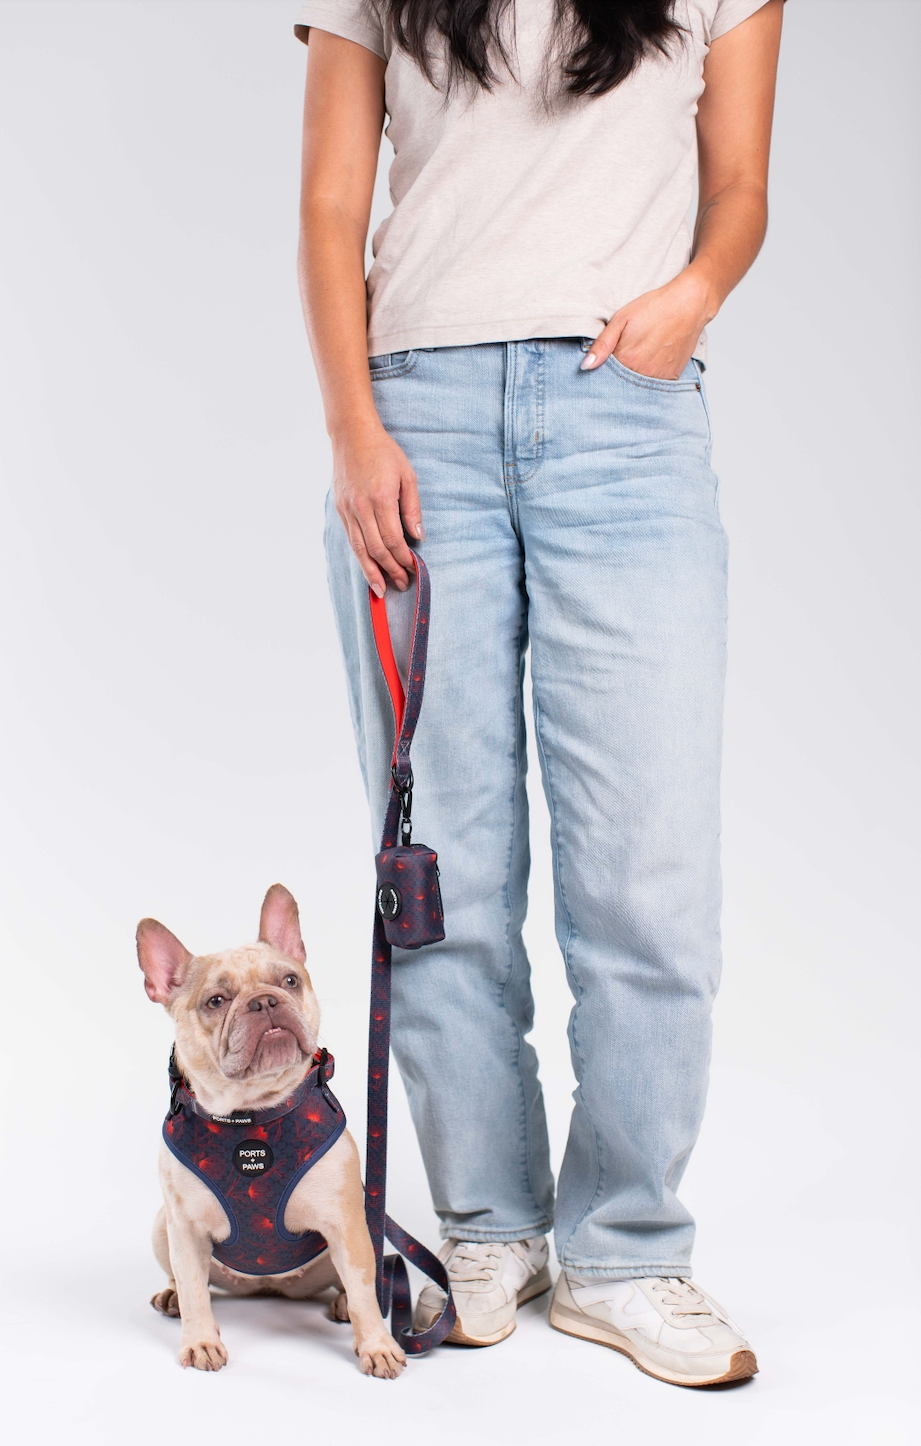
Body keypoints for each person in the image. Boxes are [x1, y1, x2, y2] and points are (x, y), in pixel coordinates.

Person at [295, 0, 782, 1387]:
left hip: (623, 411)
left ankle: (627, 1246)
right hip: (414, 417)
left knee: (652, 864)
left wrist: (684, 307)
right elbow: (333, 199)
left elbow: (740, 186)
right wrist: (353, 431)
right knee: (442, 857)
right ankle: (487, 1222)